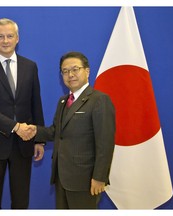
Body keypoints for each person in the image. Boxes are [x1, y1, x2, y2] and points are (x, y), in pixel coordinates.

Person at [0, 18, 45, 209]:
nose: (5, 40)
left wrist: (39, 139)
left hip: (24, 144)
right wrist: (15, 127)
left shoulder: (30, 66)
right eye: (1, 36)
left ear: (17, 38)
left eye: (10, 36)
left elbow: (35, 103)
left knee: (21, 200)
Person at [31, 51, 115, 209]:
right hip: (61, 177)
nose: (70, 74)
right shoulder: (63, 101)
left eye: (75, 69)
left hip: (85, 180)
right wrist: (33, 130)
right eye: (65, 71)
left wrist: (99, 177)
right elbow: (56, 132)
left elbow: (105, 143)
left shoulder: (99, 100)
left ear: (87, 71)